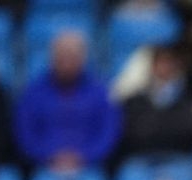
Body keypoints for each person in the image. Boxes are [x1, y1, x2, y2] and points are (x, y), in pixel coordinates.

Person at [13, 31, 120, 170]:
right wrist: (49, 156)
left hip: (90, 167)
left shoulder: (100, 93)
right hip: (44, 167)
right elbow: (25, 133)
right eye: (61, 57)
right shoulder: (33, 92)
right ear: (52, 58)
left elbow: (108, 132)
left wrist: (84, 156)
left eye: (72, 57)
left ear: (83, 59)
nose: (67, 63)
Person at [118, 45, 192, 160]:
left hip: (177, 158)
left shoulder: (187, 99)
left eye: (170, 63)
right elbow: (133, 134)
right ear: (152, 66)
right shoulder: (135, 101)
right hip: (142, 159)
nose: (166, 68)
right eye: (162, 63)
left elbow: (187, 132)